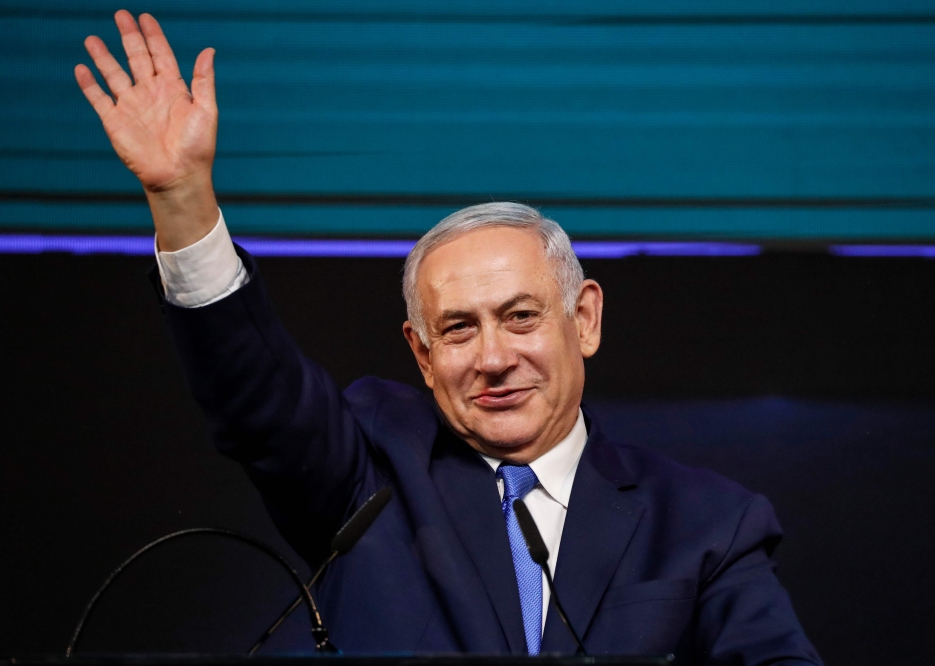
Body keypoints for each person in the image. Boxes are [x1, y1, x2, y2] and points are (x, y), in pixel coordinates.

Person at [76, 11, 823, 663]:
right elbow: (255, 398)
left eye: (522, 316)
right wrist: (181, 198)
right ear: (421, 355)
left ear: (585, 319)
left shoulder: (706, 523)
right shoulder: (368, 477)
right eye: (458, 329)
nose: (494, 358)